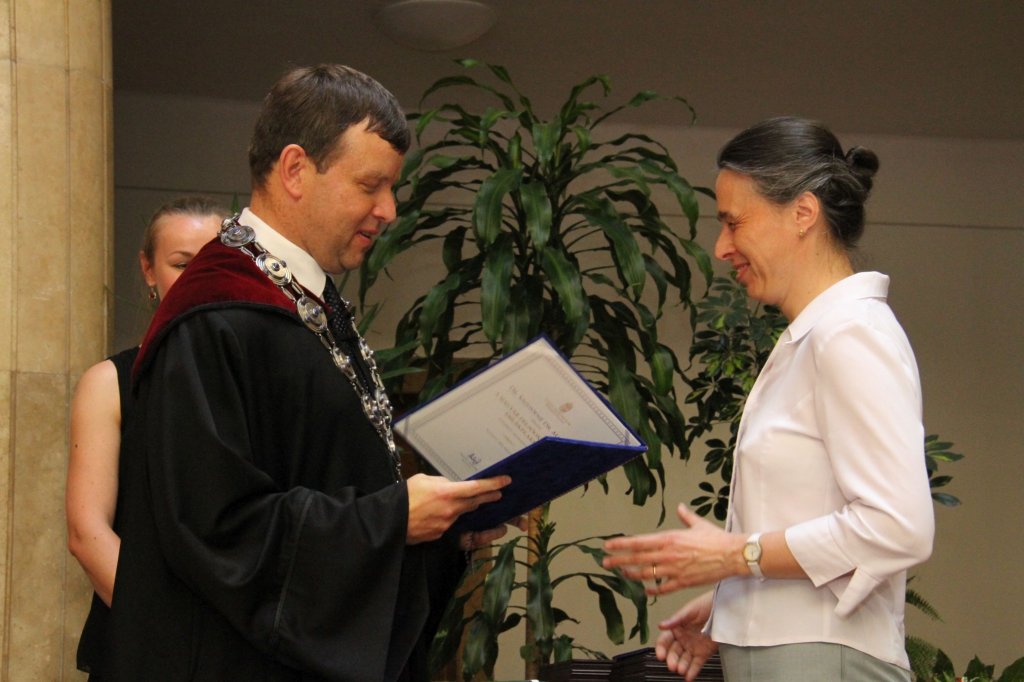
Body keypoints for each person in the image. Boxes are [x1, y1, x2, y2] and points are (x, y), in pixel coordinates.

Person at [102, 64, 518, 682]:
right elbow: (217, 530)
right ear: (295, 169)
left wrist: (436, 534)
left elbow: (328, 484)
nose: (389, 210)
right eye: (371, 185)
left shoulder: (304, 302)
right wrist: (391, 520)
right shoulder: (214, 315)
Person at [603, 117, 934, 681]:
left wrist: (736, 556)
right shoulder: (815, 336)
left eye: (734, 222)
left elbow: (898, 526)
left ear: (803, 213)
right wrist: (732, 602)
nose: (721, 247)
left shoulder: (850, 333)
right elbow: (808, 519)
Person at [66, 196, 228, 677]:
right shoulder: (109, 382)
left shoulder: (263, 380)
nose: (199, 278)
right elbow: (87, 532)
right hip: (144, 649)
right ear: (148, 270)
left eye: (214, 262)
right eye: (181, 263)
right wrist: (174, 634)